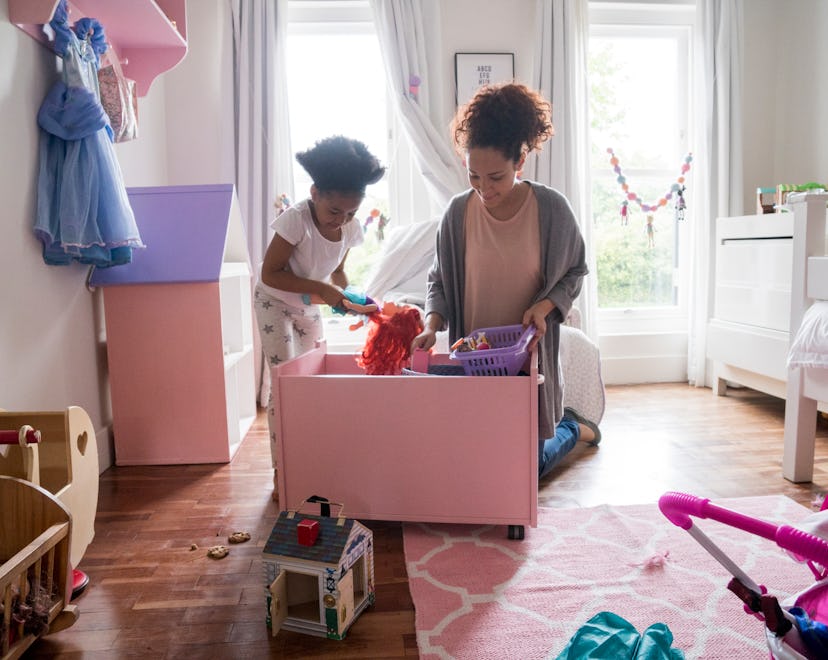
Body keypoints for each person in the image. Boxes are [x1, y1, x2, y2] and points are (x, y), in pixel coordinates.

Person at [410, 82, 601, 480]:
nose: (484, 189)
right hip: (476, 359)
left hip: (526, 359)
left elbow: (575, 270)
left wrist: (545, 306)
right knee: (475, 465)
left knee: (524, 473)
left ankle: (571, 427)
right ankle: (564, 429)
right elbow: (439, 281)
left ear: (520, 161)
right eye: (474, 176)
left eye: (495, 177)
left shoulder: (550, 209)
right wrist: (431, 326)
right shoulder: (457, 213)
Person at [254, 135, 385, 493]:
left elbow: (337, 273)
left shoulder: (349, 228)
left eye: (351, 213)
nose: (340, 221)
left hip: (309, 303)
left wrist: (351, 296)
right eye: (334, 212)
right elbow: (270, 273)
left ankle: (309, 457)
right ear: (315, 193)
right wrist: (326, 291)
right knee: (283, 381)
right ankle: (283, 471)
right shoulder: (295, 220)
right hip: (274, 302)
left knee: (310, 378)